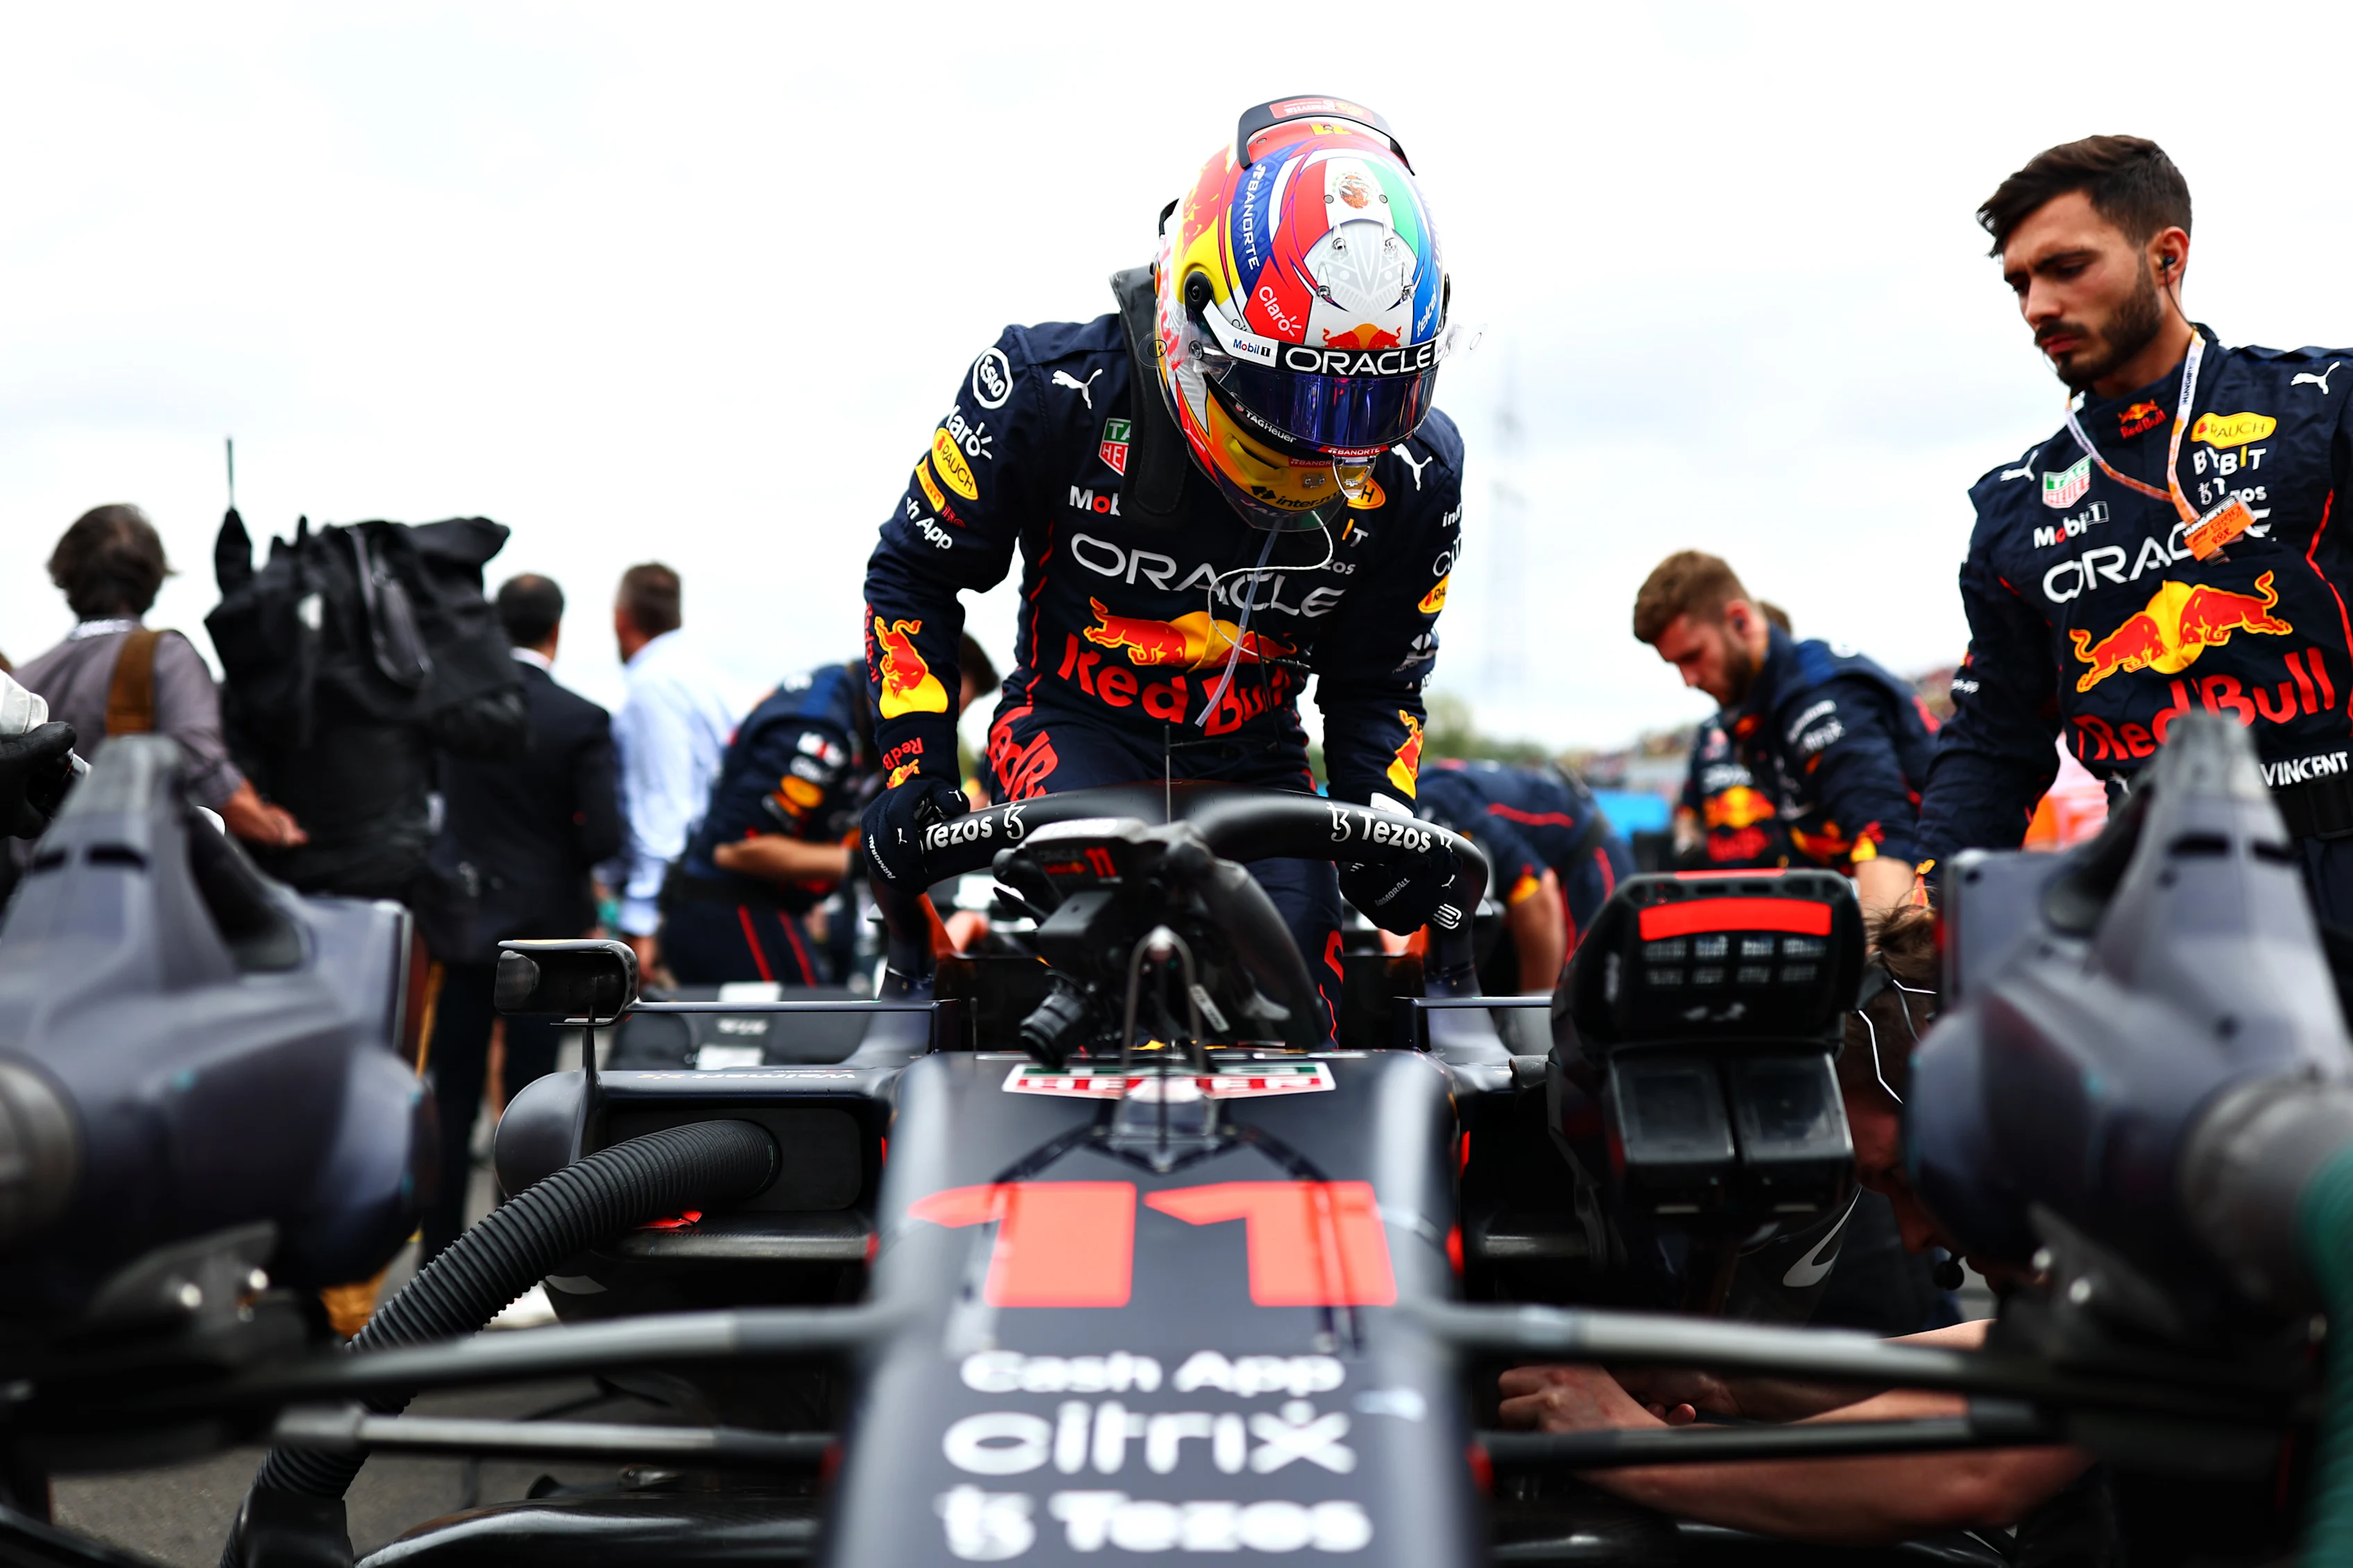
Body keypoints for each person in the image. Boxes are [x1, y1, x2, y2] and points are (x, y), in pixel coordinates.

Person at [859, 97, 1471, 1015]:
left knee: (1296, 1003)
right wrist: (917, 774)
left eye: (1359, 405)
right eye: (1297, 392)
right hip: (1072, 729)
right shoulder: (1047, 388)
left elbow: (1378, 682)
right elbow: (914, 572)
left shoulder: (1419, 470)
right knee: (1118, 972)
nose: (1326, 440)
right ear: (1195, 319)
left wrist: (1380, 814)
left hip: (1259, 763)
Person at [1498, 907, 2092, 1544]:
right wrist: (1720, 1382)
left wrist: (1631, 1446)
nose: (1916, 1236)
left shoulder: (2184, 1193)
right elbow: (2010, 1355)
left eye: (1902, 1175)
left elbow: (1977, 1460)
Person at [1916, 136, 2353, 920]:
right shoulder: (2016, 505)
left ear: (2166, 256)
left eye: (2065, 267)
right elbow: (1993, 736)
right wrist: (1932, 891)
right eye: (2018, 282)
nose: (2035, 306)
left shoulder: (2321, 406)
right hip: (2156, 917)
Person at [418, 574, 622, 1262]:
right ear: (555, 631)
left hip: (462, 921)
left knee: (452, 1093)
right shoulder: (580, 718)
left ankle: (439, 1254)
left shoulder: (452, 713)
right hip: (545, 933)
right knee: (536, 1098)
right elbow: (602, 836)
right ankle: (523, 1257)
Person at [664, 636, 997, 986]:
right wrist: (872, 859)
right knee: (818, 1032)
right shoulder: (820, 729)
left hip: (771, 910)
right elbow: (735, 851)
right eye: (943, 711)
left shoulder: (857, 709)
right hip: (726, 913)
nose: (944, 727)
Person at [1635, 553, 1934, 921]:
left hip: (1938, 900)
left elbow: (1883, 838)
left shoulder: (1816, 699)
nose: (1689, 679)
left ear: (1739, 620)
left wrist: (1875, 970)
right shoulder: (1754, 710)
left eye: (1694, 656)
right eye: (1676, 664)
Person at [14, 506, 303, 850]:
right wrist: (276, 828)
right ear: (151, 578)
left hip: (27, 898)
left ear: (66, 576)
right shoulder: (165, 655)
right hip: (121, 891)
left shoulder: (24, 676)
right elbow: (211, 782)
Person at [607, 562, 739, 977]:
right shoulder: (711, 679)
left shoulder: (653, 687)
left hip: (676, 901)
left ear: (620, 619)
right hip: (715, 882)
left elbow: (663, 804)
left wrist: (640, 919)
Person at [1412, 758, 1633, 994]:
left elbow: (1537, 894)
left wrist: (1533, 1020)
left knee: (1580, 1002)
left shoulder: (1438, 806)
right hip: (1549, 862)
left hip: (1590, 863)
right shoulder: (1418, 791)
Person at [1674, 602, 1792, 870]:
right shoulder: (1707, 733)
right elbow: (1687, 809)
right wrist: (1687, 847)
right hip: (1723, 883)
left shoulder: (1792, 721)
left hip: (1784, 881)